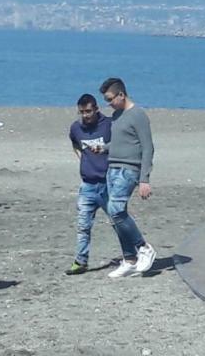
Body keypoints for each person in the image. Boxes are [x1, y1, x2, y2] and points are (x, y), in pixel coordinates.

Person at [100, 77, 157, 278]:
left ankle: (144, 247)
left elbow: (148, 147)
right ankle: (129, 260)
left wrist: (144, 179)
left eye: (110, 99)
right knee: (116, 215)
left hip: (129, 170)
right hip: (112, 168)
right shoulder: (117, 115)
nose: (108, 104)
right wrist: (103, 148)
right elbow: (119, 143)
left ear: (121, 94)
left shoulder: (138, 115)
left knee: (116, 210)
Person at [66, 93, 113, 275]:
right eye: (82, 112)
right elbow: (75, 144)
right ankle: (80, 261)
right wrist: (83, 160)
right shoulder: (76, 128)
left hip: (107, 184)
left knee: (119, 221)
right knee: (83, 226)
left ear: (96, 109)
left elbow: (120, 145)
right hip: (87, 185)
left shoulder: (108, 125)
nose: (85, 115)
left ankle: (135, 253)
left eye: (88, 111)